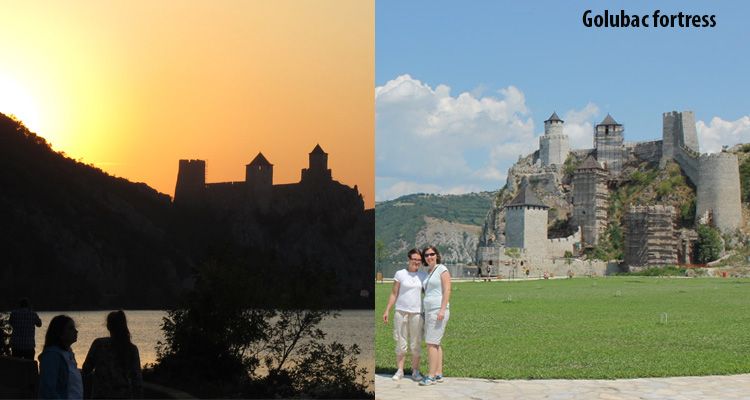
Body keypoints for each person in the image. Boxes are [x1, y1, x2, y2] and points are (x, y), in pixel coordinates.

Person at [382, 249, 427, 381]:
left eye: (419, 260)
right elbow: (394, 293)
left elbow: (429, 292)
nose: (417, 262)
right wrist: (387, 310)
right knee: (400, 342)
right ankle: (400, 370)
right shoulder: (400, 274)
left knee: (416, 343)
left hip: (417, 313)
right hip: (400, 312)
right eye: (414, 259)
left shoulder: (423, 276)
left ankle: (415, 371)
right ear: (409, 259)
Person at [82, 310, 143, 399]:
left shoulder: (99, 344)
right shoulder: (132, 349)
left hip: (100, 395)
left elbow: (86, 369)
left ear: (108, 326)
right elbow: (137, 379)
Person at [419, 245, 451, 386]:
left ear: (436, 255)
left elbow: (447, 289)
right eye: (426, 255)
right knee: (436, 343)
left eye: (432, 254)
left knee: (431, 343)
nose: (429, 257)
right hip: (429, 310)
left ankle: (430, 376)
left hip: (438, 310)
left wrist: (442, 310)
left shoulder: (442, 269)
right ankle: (438, 374)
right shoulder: (429, 271)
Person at [38, 315, 83, 399]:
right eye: (71, 328)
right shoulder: (52, 356)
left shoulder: (69, 353)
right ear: (59, 333)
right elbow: (48, 389)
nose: (76, 331)